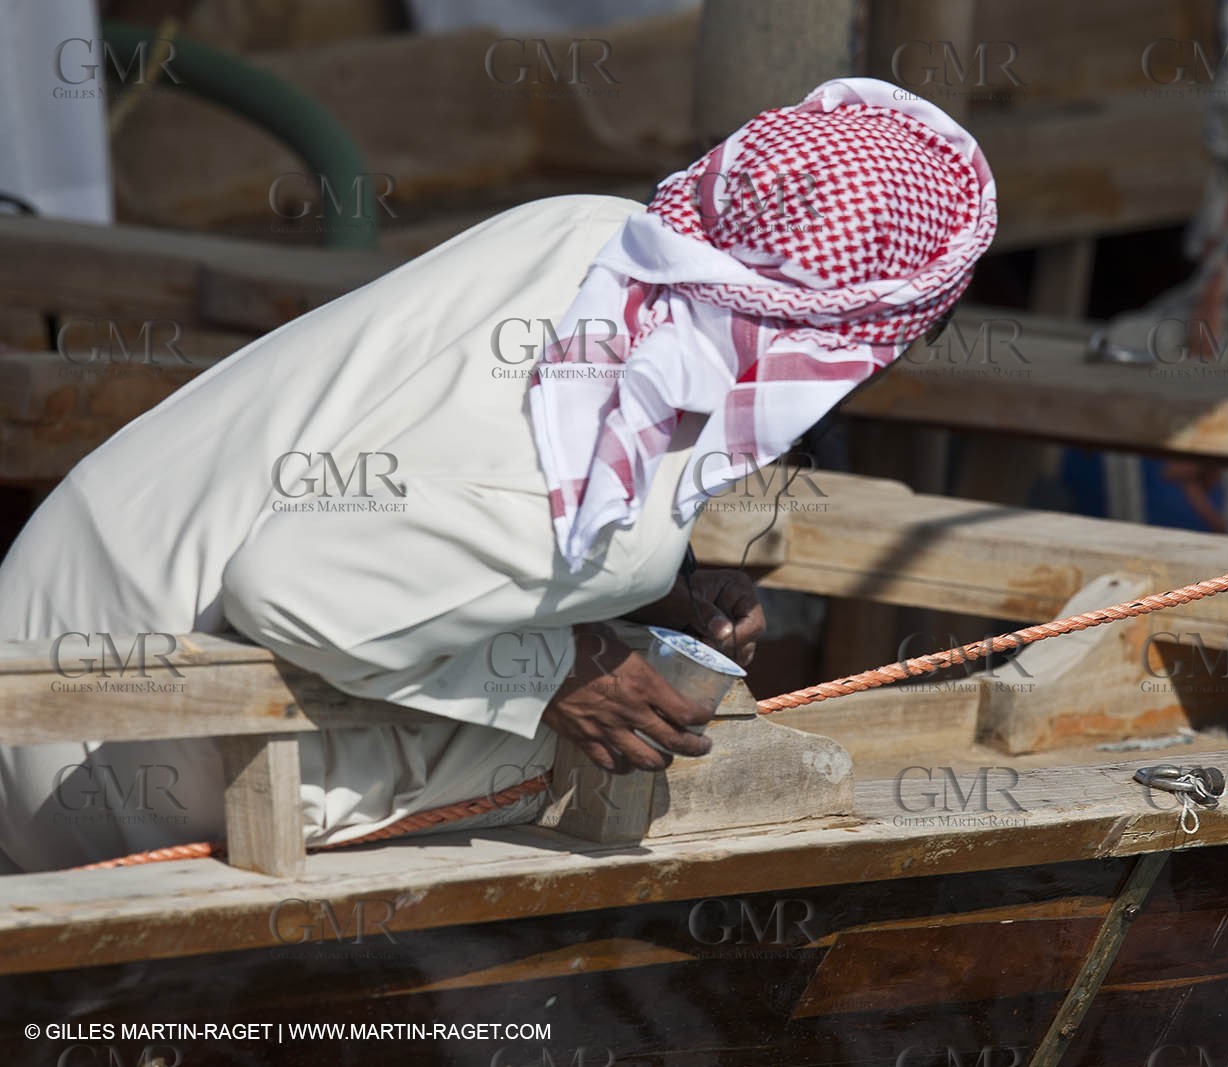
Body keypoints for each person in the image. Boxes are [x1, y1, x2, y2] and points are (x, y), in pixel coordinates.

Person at [0, 77, 998, 872]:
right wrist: (562, 674)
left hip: (45, 610)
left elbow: (484, 469)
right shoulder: (618, 528)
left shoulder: (587, 230)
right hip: (105, 757)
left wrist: (663, 591)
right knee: (616, 744)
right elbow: (288, 586)